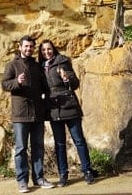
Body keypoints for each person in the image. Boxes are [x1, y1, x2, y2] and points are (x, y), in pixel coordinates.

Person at [2, 35, 55, 193]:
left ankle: (39, 178)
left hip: (37, 114)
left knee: (38, 147)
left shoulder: (37, 66)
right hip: (20, 114)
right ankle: (22, 181)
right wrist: (16, 82)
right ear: (20, 47)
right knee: (21, 148)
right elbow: (5, 84)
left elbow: (45, 88)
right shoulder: (12, 65)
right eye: (26, 46)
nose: (28, 49)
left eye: (31, 47)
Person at [39, 40, 95, 187]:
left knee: (79, 140)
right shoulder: (40, 67)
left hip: (69, 106)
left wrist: (66, 78)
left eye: (49, 49)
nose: (47, 52)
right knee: (59, 144)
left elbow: (75, 84)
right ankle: (63, 175)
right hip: (53, 109)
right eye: (44, 50)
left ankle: (87, 171)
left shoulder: (62, 62)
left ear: (53, 49)